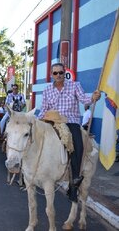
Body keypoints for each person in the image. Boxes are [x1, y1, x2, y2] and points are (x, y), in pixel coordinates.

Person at [38, 62, 101, 202]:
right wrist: (38, 121)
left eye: (61, 72)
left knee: (78, 146)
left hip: (70, 121)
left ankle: (74, 183)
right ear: (51, 75)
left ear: (64, 72)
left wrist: (93, 98)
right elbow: (43, 109)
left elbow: (84, 99)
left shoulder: (75, 85)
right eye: (55, 73)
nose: (58, 75)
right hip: (52, 121)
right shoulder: (47, 90)